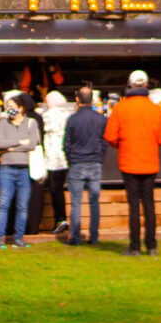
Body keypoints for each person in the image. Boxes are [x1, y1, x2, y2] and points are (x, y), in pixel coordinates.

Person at [104, 69, 161, 256]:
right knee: (149, 204)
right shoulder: (155, 109)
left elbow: (109, 136)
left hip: (128, 162)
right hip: (149, 162)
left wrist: (121, 144)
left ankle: (134, 247)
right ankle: (152, 246)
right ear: (147, 85)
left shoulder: (120, 108)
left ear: (130, 85)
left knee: (134, 205)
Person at [63, 87, 108, 245]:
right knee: (94, 202)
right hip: (94, 163)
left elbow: (66, 144)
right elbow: (104, 142)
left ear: (77, 99)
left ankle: (75, 237)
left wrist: (71, 160)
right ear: (92, 99)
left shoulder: (72, 119)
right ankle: (93, 237)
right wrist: (99, 158)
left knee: (76, 203)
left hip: (77, 163)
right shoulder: (101, 118)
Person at [0, 94, 39, 248]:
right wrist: (20, 142)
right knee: (4, 204)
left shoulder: (31, 123)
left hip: (24, 169)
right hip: (6, 168)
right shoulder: (2, 124)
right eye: (8, 107)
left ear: (21, 108)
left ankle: (18, 238)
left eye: (12, 107)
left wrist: (10, 148)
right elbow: (0, 143)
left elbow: (32, 144)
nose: (9, 110)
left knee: (22, 206)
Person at [13, 92, 47, 236]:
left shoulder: (22, 119)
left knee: (21, 195)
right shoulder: (38, 118)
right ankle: (33, 227)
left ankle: (20, 227)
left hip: (23, 159)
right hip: (37, 160)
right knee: (36, 196)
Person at [41, 91, 71, 234]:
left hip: (52, 158)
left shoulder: (48, 116)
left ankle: (60, 219)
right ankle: (61, 218)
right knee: (60, 187)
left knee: (55, 189)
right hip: (65, 158)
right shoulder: (68, 115)